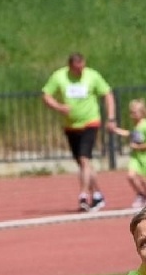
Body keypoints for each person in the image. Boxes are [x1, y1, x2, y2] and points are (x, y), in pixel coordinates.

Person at [41, 52, 115, 213]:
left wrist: (111, 118)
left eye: (82, 68)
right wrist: (59, 107)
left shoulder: (92, 75)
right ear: (70, 67)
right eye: (76, 69)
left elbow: (107, 94)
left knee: (83, 158)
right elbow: (46, 95)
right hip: (71, 126)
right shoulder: (59, 76)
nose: (80, 72)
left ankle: (83, 195)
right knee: (83, 163)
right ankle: (97, 195)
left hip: (90, 122)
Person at [114, 98, 146, 211]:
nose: (132, 115)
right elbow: (130, 134)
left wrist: (138, 147)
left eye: (135, 112)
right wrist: (116, 130)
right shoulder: (136, 126)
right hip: (136, 157)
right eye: (131, 112)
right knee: (130, 176)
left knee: (143, 180)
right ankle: (140, 195)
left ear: (142, 113)